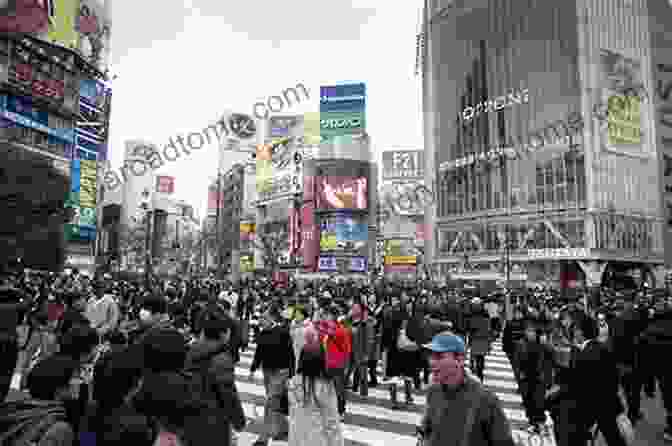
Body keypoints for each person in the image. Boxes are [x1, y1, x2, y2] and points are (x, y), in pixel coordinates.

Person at [419, 331, 515, 446]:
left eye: (439, 356)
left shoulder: (486, 400)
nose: (432, 362)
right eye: (431, 356)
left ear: (460, 360)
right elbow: (427, 428)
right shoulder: (433, 391)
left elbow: (504, 442)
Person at [287, 323, 344, 446]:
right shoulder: (325, 386)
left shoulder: (293, 382)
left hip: (296, 438)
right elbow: (331, 421)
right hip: (318, 439)